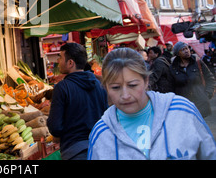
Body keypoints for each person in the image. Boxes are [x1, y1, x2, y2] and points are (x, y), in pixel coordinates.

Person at [88, 47, 216, 160]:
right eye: (115, 87)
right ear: (105, 88)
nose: (125, 95)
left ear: (146, 81)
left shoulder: (182, 111)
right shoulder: (101, 133)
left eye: (132, 85)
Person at [47, 43, 108, 160]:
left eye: (60, 57)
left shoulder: (62, 87)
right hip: (100, 148)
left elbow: (55, 127)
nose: (58, 60)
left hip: (74, 151)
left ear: (70, 63)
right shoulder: (100, 85)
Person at [170, 41, 215, 118]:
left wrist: (207, 94)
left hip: (200, 102)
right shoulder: (173, 68)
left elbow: (210, 78)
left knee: (201, 127)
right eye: (183, 50)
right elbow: (171, 86)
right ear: (178, 53)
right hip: (184, 105)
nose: (186, 51)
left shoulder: (197, 62)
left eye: (187, 48)